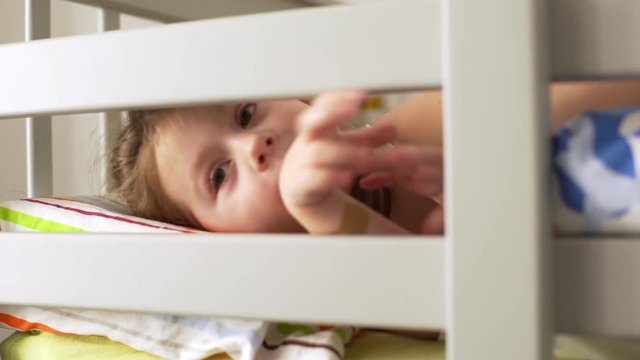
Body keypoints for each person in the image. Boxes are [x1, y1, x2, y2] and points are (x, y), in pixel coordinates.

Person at [110, 80, 640, 235]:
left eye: (246, 113)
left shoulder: (404, 129)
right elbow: (418, 307)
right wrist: (319, 210)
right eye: (219, 174)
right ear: (214, 237)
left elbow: (589, 91)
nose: (255, 144)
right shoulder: (321, 284)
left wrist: (493, 151)